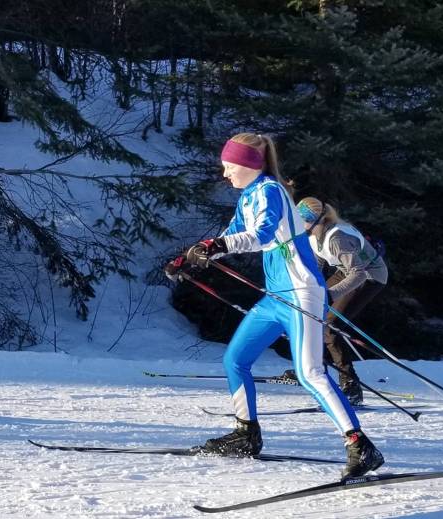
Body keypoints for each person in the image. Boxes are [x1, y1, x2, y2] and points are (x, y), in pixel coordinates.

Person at [164, 132, 383, 480]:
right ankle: (246, 434)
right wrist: (190, 257)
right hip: (276, 296)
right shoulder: (249, 196)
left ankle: (360, 445)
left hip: (300, 291)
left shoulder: (271, 191)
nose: (225, 174)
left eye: (228, 167)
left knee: (310, 373)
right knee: (235, 359)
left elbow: (263, 234)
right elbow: (234, 233)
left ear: (248, 164)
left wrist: (216, 243)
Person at [293, 197, 388, 406]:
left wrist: (330, 295)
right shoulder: (314, 236)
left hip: (370, 276)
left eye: (301, 220)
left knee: (330, 327)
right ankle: (316, 373)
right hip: (345, 272)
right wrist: (306, 292)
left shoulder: (337, 238)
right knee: (313, 318)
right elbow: (317, 269)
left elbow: (359, 274)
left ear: (314, 220)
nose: (298, 224)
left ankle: (350, 387)